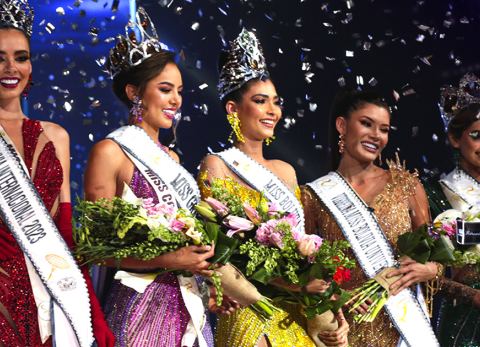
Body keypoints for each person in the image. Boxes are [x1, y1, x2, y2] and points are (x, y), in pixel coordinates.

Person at [198, 28, 348, 347]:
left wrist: (331, 305)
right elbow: (220, 253)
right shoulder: (217, 165)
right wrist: (296, 284)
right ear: (233, 109)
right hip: (250, 309)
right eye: (260, 101)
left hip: (296, 312)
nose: (272, 111)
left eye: (276, 102)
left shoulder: (286, 171)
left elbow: (303, 248)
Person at [83, 7, 218, 347]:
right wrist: (167, 259)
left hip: (189, 307)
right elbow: (94, 250)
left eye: (180, 91)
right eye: (165, 89)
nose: (176, 100)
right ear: (134, 92)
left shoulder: (172, 158)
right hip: (138, 306)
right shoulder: (111, 151)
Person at [0, 1, 113, 346]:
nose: (11, 67)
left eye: (21, 57)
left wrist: (92, 313)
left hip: (51, 296)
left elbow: (64, 229)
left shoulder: (55, 135)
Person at [301, 89, 441, 346]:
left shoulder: (406, 185)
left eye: (384, 129)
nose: (376, 135)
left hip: (404, 328)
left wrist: (430, 269)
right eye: (366, 124)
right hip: (344, 330)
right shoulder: (314, 196)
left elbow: (435, 254)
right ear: (342, 125)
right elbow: (306, 273)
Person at [426, 74, 480, 346]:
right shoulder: (434, 192)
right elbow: (432, 259)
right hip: (463, 315)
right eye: (477, 135)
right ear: (455, 138)